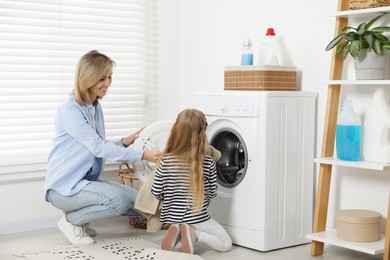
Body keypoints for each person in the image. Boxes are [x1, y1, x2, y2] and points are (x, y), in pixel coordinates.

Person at [44, 50, 161, 245]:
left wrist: (123, 141)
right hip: (64, 189)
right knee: (119, 202)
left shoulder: (95, 107)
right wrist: (143, 155)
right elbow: (99, 148)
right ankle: (71, 221)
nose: (108, 83)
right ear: (87, 77)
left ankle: (82, 219)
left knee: (142, 202)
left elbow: (95, 145)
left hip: (86, 182)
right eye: (102, 78)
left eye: (110, 77)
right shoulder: (69, 110)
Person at [151, 109, 232, 254]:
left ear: (176, 131)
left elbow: (156, 192)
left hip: (172, 215)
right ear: (203, 132)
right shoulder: (207, 161)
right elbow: (212, 191)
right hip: (197, 217)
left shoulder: (166, 159)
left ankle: (178, 228)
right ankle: (194, 233)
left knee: (181, 223)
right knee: (226, 244)